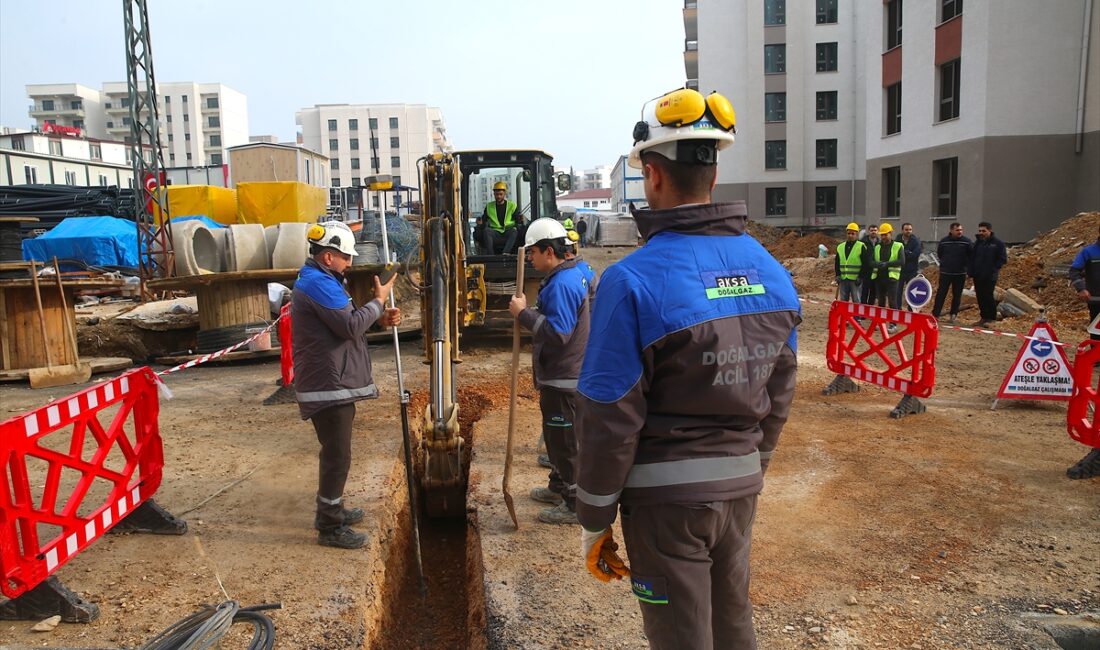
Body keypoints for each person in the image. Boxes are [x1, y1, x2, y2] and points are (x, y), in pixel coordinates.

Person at [575, 88, 800, 649]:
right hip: (740, 487)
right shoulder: (771, 271)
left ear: (652, 174)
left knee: (681, 636)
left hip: (665, 503)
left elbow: (609, 412)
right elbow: (782, 385)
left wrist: (595, 517)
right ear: (714, 172)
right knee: (732, 625)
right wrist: (752, 462)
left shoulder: (631, 280)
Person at [292, 221, 401, 549]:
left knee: (337, 452)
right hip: (328, 384)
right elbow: (350, 326)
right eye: (345, 256)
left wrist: (378, 318)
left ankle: (332, 508)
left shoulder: (321, 280)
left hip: (332, 380)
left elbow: (344, 324)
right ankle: (329, 525)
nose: (350, 262)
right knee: (337, 455)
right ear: (327, 257)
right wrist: (378, 303)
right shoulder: (319, 284)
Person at [508, 218, 596, 524]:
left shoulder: (562, 285)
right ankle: (559, 486)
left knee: (565, 443)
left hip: (564, 377)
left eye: (533, 252)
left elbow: (559, 333)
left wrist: (524, 315)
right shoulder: (569, 276)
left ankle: (574, 503)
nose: (530, 258)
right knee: (556, 436)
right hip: (562, 374)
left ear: (549, 251)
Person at [1067, 222, 1100, 480]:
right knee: (1096, 334)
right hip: (1096, 301)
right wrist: (1082, 289)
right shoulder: (1089, 252)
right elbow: (1074, 270)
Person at [969, 221, 1007, 327]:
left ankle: (991, 318)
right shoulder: (978, 243)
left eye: (983, 231)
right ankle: (983, 317)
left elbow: (1002, 259)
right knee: (980, 297)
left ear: (989, 231)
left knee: (988, 296)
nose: (981, 233)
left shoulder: (997, 243)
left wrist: (994, 269)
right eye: (980, 230)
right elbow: (972, 258)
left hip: (990, 276)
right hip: (978, 275)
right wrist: (971, 271)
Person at [931, 222, 972, 322]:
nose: (960, 232)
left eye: (961, 230)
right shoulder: (944, 242)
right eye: (957, 230)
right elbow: (940, 254)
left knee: (957, 295)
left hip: (960, 273)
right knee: (941, 293)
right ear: (951, 230)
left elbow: (971, 255)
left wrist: (966, 268)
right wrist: (945, 264)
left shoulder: (966, 242)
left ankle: (953, 314)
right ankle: (935, 314)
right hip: (946, 273)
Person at [480, 181, 524, 254]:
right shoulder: (489, 206)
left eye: (501, 194)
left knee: (514, 231)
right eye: (497, 194)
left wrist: (520, 219)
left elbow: (517, 219)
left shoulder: (512, 206)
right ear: (494, 194)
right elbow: (484, 220)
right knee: (487, 231)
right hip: (495, 232)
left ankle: (505, 253)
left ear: (505, 194)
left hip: (508, 231)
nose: (499, 196)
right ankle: (491, 255)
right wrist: (480, 223)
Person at [871, 223, 906, 314]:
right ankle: (881, 321)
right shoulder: (877, 247)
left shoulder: (898, 246)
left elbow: (902, 261)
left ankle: (893, 323)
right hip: (879, 278)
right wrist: (877, 264)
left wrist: (887, 264)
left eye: (885, 234)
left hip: (892, 278)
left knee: (892, 301)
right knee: (881, 302)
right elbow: (871, 262)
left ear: (891, 234)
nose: (883, 237)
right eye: (882, 235)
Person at [835, 222, 869, 302]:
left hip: (855, 279)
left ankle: (857, 315)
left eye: (852, 233)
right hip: (843, 278)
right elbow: (837, 262)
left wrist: (860, 277)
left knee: (856, 300)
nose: (850, 235)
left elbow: (865, 263)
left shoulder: (861, 246)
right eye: (848, 233)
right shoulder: (840, 247)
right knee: (843, 300)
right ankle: (845, 315)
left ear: (856, 234)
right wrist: (838, 275)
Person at [896, 222, 922, 310]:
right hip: (899, 270)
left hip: (911, 270)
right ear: (902, 230)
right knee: (897, 291)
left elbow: (915, 254)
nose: (908, 231)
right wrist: (908, 252)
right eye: (906, 230)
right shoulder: (897, 240)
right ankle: (897, 308)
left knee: (911, 291)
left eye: (910, 229)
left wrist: (903, 252)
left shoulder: (916, 241)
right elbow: (895, 253)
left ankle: (911, 309)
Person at [859, 224, 880, 305]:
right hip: (866, 270)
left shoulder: (880, 242)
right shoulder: (863, 242)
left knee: (873, 292)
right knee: (864, 292)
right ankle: (862, 311)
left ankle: (870, 310)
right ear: (869, 231)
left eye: (875, 230)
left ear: (877, 231)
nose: (873, 232)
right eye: (871, 230)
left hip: (876, 271)